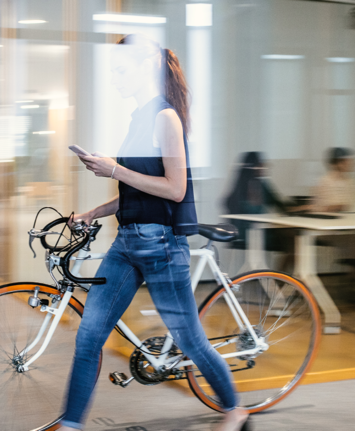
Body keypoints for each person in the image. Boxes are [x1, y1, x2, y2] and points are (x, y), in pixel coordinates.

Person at [58, 34, 250, 431]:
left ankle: (234, 409)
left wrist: (113, 168)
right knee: (89, 336)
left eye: (120, 69)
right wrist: (92, 212)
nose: (114, 78)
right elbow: (137, 190)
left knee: (190, 340)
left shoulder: (165, 117)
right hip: (127, 243)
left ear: (147, 66)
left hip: (162, 244)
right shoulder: (138, 120)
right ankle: (71, 424)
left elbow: (174, 189)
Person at [224, 151, 295, 270]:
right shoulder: (242, 187)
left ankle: (280, 277)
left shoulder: (262, 184)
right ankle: (280, 278)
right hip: (247, 233)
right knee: (292, 242)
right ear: (253, 166)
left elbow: (279, 203)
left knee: (293, 240)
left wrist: (301, 207)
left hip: (261, 230)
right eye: (261, 165)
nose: (264, 168)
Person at [311, 147, 355, 213]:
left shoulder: (350, 181)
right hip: (328, 219)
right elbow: (315, 207)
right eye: (346, 161)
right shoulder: (323, 181)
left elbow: (352, 205)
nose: (350, 164)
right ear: (338, 163)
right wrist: (335, 207)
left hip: (347, 218)